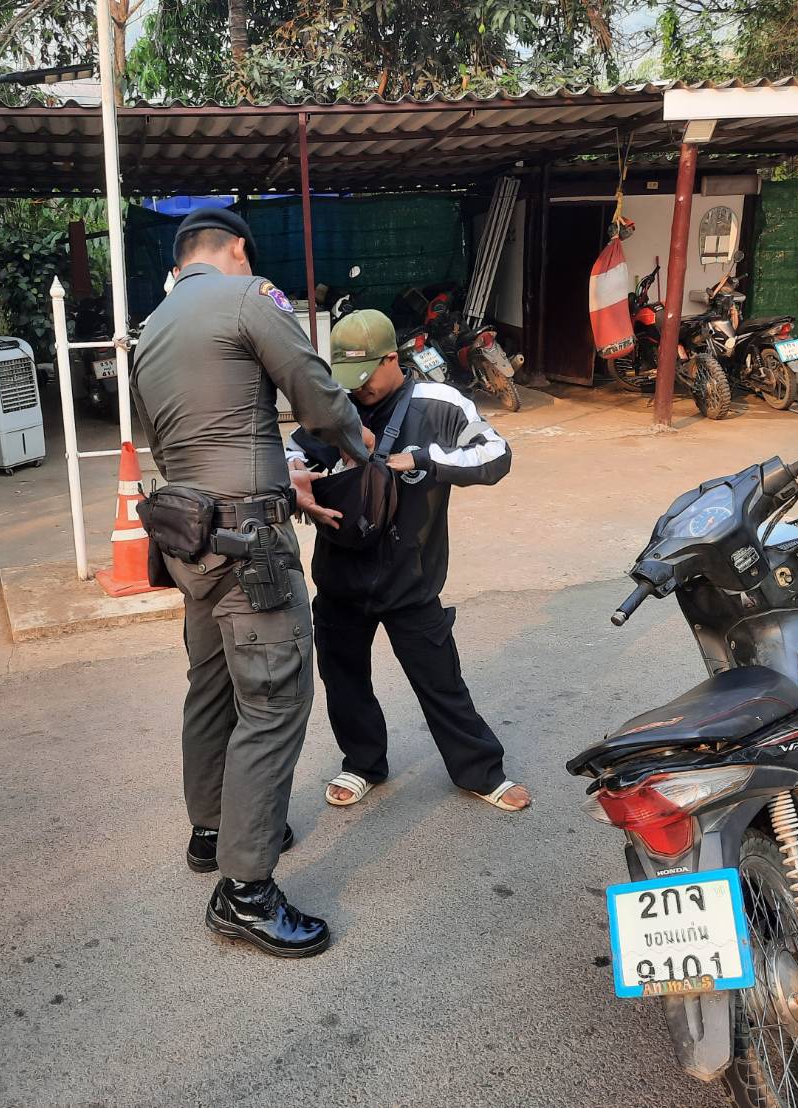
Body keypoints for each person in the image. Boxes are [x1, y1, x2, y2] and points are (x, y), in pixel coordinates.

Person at [130, 207, 371, 959]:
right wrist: (360, 445)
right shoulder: (249, 296)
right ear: (237, 249)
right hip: (248, 547)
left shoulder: (151, 329)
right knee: (273, 701)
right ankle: (244, 892)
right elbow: (314, 392)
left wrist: (263, 476)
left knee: (210, 686)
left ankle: (212, 831)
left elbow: (163, 438)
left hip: (190, 539)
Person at [287, 309, 531, 814]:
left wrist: (424, 459)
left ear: (391, 359)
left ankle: (481, 771)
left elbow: (496, 455)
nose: (358, 388)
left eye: (365, 375)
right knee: (344, 680)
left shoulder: (439, 403)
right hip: (340, 574)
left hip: (412, 577)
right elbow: (292, 454)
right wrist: (297, 473)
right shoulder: (335, 404)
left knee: (441, 681)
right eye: (347, 377)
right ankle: (362, 764)